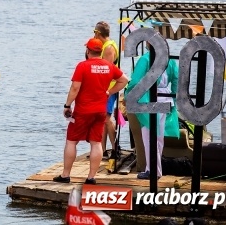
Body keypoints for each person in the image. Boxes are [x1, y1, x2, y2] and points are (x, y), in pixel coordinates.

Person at [54, 38, 128, 184]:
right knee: (96, 143)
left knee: (71, 141)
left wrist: (67, 105)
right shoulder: (109, 66)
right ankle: (91, 177)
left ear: (87, 51)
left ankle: (65, 175)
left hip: (83, 111)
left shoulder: (82, 66)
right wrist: (109, 91)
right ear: (100, 52)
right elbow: (124, 80)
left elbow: (75, 88)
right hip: (100, 110)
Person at [125, 49, 179, 180]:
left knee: (149, 137)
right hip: (166, 99)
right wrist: (173, 97)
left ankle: (153, 170)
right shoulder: (170, 59)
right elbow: (176, 79)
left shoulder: (145, 59)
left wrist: (128, 95)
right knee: (159, 138)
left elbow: (135, 81)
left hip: (150, 99)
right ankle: (156, 169)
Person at [94, 21, 119, 158]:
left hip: (109, 88)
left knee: (107, 118)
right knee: (103, 119)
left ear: (98, 33)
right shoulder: (106, 46)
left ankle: (115, 149)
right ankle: (102, 150)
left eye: (95, 33)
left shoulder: (109, 48)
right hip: (105, 88)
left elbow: (107, 71)